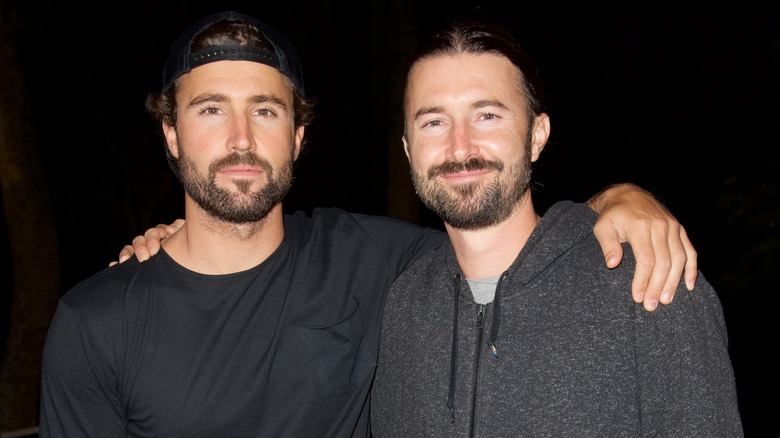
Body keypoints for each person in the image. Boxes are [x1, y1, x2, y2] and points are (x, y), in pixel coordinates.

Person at [40, 11, 697, 437]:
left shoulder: (377, 261)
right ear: (171, 133)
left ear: (297, 135)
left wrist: (619, 198)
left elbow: (495, 229)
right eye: (211, 110)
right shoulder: (98, 324)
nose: (240, 139)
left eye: (265, 111)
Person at [370, 20, 742, 437]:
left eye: (487, 115)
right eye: (434, 122)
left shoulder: (647, 282)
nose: (460, 147)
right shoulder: (404, 305)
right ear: (407, 149)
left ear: (536, 136)